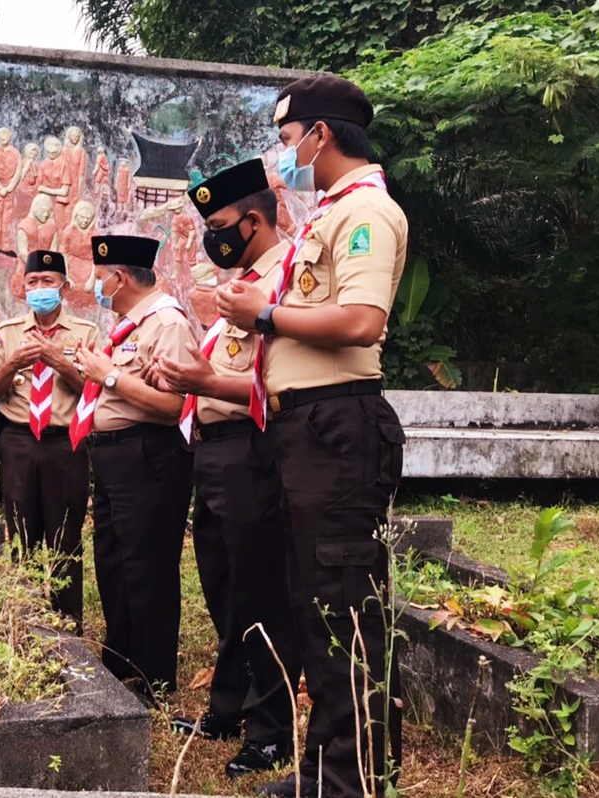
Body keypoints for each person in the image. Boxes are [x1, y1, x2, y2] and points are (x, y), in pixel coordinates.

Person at [216, 76, 409, 798]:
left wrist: (264, 315)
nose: (284, 153)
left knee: (343, 603)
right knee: (322, 606)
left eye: (287, 138)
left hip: (337, 428)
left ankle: (348, 780)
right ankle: (339, 767)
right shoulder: (329, 216)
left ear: (320, 135)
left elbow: (360, 321)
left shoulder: (365, 213)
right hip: (309, 430)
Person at [151, 158, 301, 779]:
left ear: (255, 218)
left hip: (251, 451)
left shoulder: (285, 280)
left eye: (217, 223)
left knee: (261, 591)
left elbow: (283, 383)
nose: (211, 236)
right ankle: (228, 708)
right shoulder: (238, 284)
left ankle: (271, 730)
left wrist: (205, 380)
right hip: (212, 453)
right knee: (225, 587)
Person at [69, 234, 198, 700]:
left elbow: (174, 405)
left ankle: (153, 676)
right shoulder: (127, 325)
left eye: (100, 277)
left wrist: (107, 374)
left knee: (147, 565)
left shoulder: (166, 324)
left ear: (119, 277)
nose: (96, 285)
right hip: (113, 455)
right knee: (114, 559)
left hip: (149, 454)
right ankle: (121, 658)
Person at [0, 250, 99, 626]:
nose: (40, 289)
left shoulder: (85, 334)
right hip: (18, 443)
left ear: (63, 286)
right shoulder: (7, 332)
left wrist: (59, 361)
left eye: (48, 282)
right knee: (21, 538)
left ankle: (67, 626)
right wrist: (13, 362)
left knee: (66, 540)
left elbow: (94, 390)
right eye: (33, 283)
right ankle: (25, 623)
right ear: (23, 288)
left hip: (66, 444)